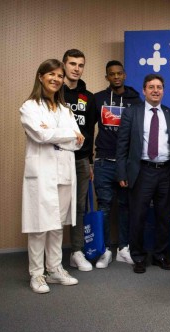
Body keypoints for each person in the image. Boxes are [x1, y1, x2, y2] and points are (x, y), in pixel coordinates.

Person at [20, 59, 84, 293]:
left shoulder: (66, 110)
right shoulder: (29, 107)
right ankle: (37, 274)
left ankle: (55, 269)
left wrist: (59, 134)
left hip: (64, 172)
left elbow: (78, 142)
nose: (57, 79)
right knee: (39, 225)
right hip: (42, 172)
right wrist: (66, 135)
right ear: (40, 76)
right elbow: (39, 134)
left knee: (57, 225)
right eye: (52, 75)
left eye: (60, 76)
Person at [116, 74, 170, 274]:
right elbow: (122, 145)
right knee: (138, 216)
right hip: (142, 171)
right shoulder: (131, 113)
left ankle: (160, 254)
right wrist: (122, 173)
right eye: (151, 87)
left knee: (163, 215)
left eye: (159, 87)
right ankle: (138, 256)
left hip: (166, 172)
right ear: (144, 90)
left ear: (163, 90)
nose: (155, 90)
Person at [93, 60, 143, 267]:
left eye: (119, 73)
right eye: (111, 74)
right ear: (107, 77)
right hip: (104, 161)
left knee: (125, 206)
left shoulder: (135, 100)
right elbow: (88, 129)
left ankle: (124, 248)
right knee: (104, 206)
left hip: (127, 163)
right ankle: (105, 250)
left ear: (124, 75)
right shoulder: (98, 99)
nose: (116, 77)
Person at [62, 49, 97, 272]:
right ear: (64, 65)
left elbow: (90, 130)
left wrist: (91, 161)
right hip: (57, 157)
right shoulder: (56, 93)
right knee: (55, 206)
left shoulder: (88, 97)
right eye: (72, 64)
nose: (76, 68)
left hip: (81, 159)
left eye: (80, 65)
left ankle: (76, 251)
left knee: (79, 207)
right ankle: (51, 256)